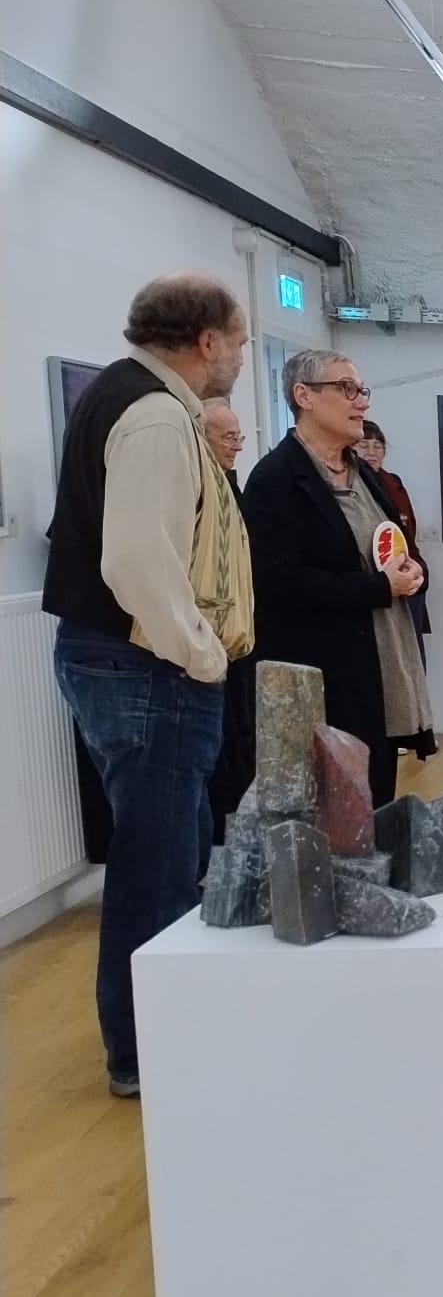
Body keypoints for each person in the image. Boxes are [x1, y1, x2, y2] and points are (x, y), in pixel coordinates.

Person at [43, 273, 254, 1098]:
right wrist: (200, 655)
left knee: (166, 852)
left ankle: (164, 1032)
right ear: (207, 341)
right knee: (158, 865)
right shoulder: (158, 415)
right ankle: (146, 1048)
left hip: (127, 661)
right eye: (238, 342)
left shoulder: (123, 396)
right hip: (148, 667)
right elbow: (137, 560)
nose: (239, 357)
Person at [242, 352, 433, 809]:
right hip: (327, 680)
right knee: (338, 814)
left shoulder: (363, 473)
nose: (361, 402)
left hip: (380, 670)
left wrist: (414, 569)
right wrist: (379, 588)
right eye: (347, 389)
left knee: (376, 803)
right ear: (303, 396)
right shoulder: (275, 479)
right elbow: (277, 581)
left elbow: (392, 543)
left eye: (361, 390)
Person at [200, 398, 260, 836]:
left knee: (240, 742)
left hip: (237, 643)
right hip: (204, 645)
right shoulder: (195, 487)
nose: (237, 446)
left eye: (238, 437)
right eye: (228, 437)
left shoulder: (230, 487)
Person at [355, 418, 431, 672]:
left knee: (412, 657)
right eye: (364, 445)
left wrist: (419, 569)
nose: (371, 452)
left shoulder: (393, 483)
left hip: (408, 572)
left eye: (378, 446)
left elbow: (407, 532)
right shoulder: (350, 485)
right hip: (373, 582)